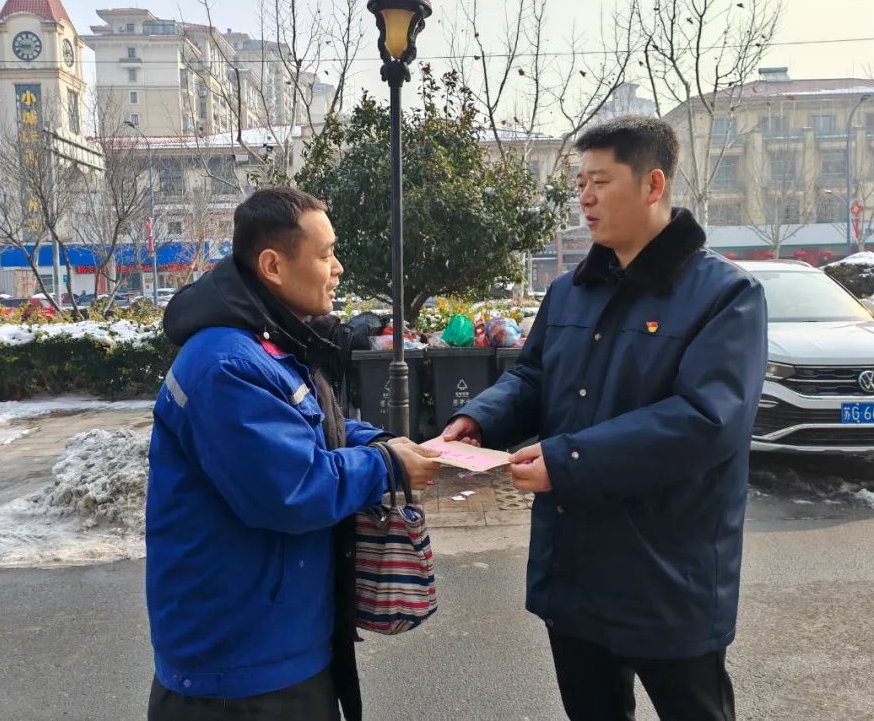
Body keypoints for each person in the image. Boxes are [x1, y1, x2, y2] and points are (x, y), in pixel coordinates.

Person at [443, 115, 767, 721]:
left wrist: (567, 460)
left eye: (600, 181)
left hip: (668, 574)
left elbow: (706, 420)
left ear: (653, 185)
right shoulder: (570, 290)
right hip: (576, 568)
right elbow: (534, 377)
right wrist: (481, 421)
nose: (585, 198)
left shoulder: (725, 295)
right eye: (580, 183)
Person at [146, 188, 440, 721]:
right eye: (326, 254)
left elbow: (307, 429)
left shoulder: (267, 345)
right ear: (273, 266)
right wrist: (386, 466)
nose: (338, 268)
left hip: (279, 642)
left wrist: (376, 442)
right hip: (238, 672)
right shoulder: (228, 366)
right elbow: (291, 488)